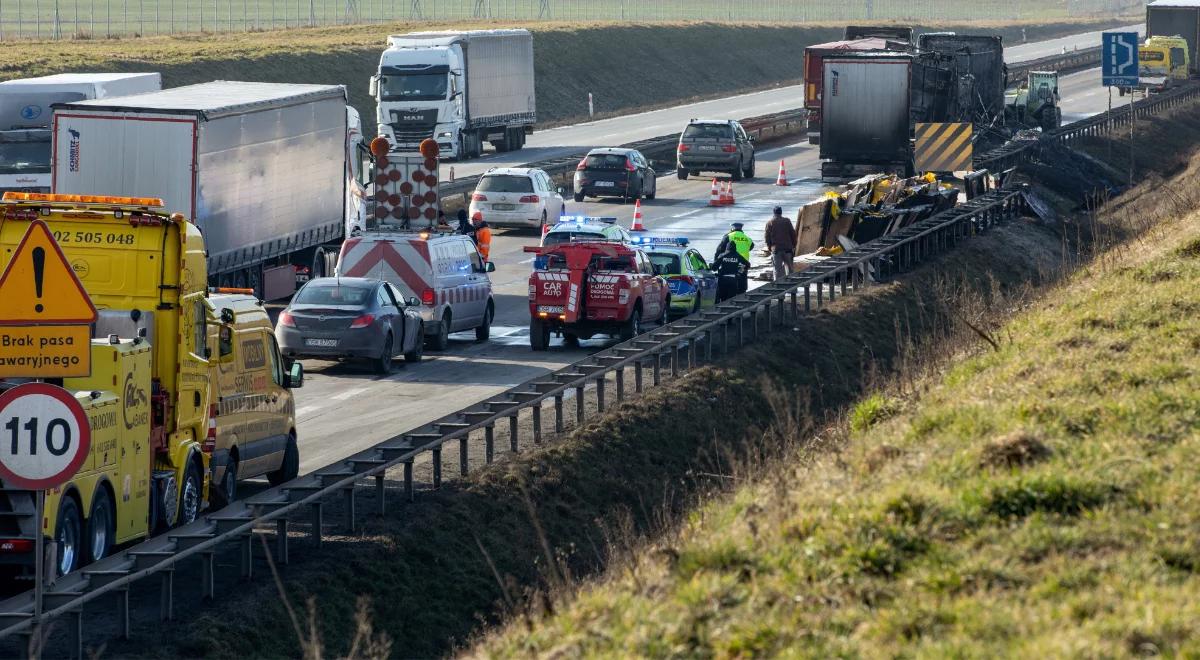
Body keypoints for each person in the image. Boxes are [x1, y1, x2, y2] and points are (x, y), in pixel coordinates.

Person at [764, 205, 796, 281]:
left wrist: (770, 248)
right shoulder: (787, 221)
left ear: (774, 213)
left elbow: (766, 237)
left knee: (777, 271)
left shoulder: (769, 223)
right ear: (781, 212)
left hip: (776, 250)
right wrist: (793, 245)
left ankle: (779, 288)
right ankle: (792, 290)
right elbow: (793, 234)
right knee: (790, 269)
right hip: (787, 249)